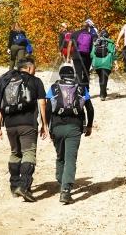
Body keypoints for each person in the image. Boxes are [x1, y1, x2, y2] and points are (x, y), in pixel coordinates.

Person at [0, 56, 47, 202]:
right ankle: (23, 186)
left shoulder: (7, 81)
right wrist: (44, 124)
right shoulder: (35, 81)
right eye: (34, 67)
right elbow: (42, 103)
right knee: (29, 153)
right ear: (29, 68)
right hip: (27, 124)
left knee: (15, 153)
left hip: (9, 124)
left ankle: (14, 185)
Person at [45, 64, 94, 204]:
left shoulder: (54, 87)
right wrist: (89, 125)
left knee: (60, 156)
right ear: (73, 75)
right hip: (74, 127)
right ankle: (66, 190)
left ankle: (61, 181)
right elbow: (89, 108)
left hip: (57, 126)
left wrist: (47, 126)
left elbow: (48, 108)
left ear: (60, 75)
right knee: (70, 159)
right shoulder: (81, 87)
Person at [90, 29, 115, 100]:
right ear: (108, 36)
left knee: (101, 78)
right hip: (107, 63)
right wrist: (115, 63)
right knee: (105, 78)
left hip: (97, 64)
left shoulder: (96, 42)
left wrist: (93, 62)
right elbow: (113, 53)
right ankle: (102, 94)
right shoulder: (111, 43)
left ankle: (103, 92)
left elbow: (92, 54)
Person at [71, 21, 97, 89]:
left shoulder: (74, 34)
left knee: (78, 72)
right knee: (86, 73)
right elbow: (92, 47)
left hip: (76, 56)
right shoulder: (91, 35)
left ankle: (78, 88)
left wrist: (69, 56)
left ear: (81, 26)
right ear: (88, 27)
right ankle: (86, 89)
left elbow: (70, 45)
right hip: (86, 57)